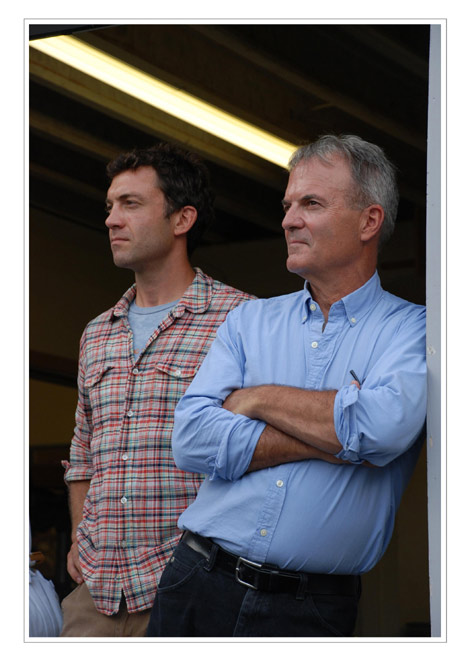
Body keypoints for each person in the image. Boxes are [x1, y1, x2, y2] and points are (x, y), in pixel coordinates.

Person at [146, 134, 427, 638]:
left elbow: (383, 429)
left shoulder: (417, 330)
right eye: (288, 205)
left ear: (370, 221)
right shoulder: (247, 322)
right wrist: (336, 437)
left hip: (311, 609)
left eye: (311, 203)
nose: (288, 219)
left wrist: (257, 399)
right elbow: (190, 438)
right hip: (197, 580)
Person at [60, 142, 252, 637]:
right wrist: (83, 541)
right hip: (96, 594)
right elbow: (83, 455)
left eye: (131, 204)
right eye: (110, 206)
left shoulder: (243, 321)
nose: (111, 219)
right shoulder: (97, 332)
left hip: (191, 584)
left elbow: (262, 450)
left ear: (182, 218)